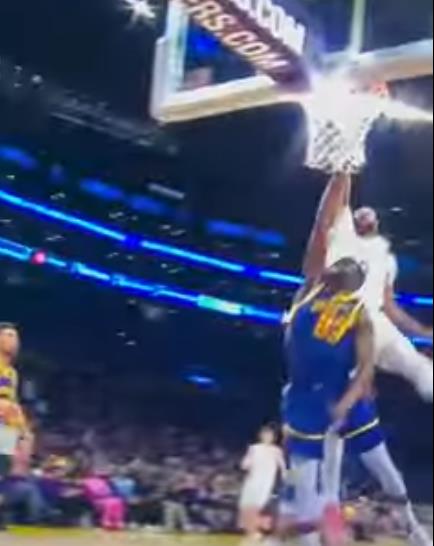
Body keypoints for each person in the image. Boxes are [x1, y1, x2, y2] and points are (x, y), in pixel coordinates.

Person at [281, 258, 430, 546]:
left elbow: (365, 369)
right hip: (306, 400)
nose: (333, 276)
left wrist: (346, 402)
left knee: (384, 470)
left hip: (344, 397)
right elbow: (291, 343)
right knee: (309, 486)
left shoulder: (360, 315)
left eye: (342, 274)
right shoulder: (307, 297)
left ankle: (412, 528)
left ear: (352, 283)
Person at [303, 171, 433, 401]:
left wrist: (422, 331)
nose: (365, 212)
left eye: (370, 214)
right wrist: (344, 170)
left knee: (418, 366)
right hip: (338, 312)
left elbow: (390, 307)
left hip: (373, 318)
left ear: (377, 224)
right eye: (360, 212)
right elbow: (335, 204)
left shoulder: (386, 258)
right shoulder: (343, 236)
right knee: (340, 382)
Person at [0, 323, 27, 530]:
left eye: (15, 336)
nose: (13, 341)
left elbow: (13, 401)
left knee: (2, 469)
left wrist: (22, 429)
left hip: (6, 426)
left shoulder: (12, 373)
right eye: (8, 335)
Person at [239, 425, 286, 542]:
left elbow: (283, 467)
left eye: (270, 435)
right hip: (252, 480)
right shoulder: (254, 448)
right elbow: (244, 465)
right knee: (247, 505)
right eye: (265, 434)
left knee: (258, 506)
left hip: (266, 482)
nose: (267, 437)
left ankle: (257, 530)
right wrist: (247, 461)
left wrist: (285, 478)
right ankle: (250, 531)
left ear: (274, 437)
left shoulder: (276, 451)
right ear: (261, 435)